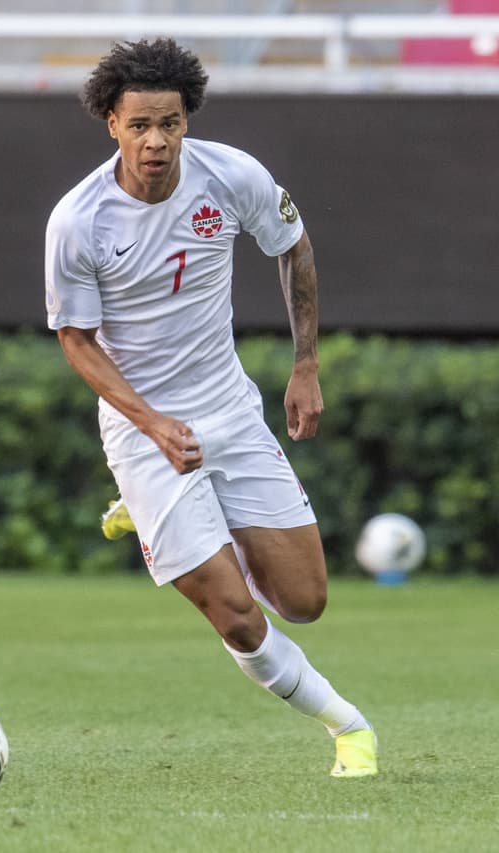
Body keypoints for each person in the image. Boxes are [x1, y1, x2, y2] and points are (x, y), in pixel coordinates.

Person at [44, 39, 377, 777]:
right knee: (236, 612)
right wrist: (153, 423)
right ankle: (349, 726)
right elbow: (76, 339)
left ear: (187, 119)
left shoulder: (231, 178)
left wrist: (305, 365)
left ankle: (177, 515)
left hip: (229, 412)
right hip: (144, 433)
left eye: (168, 122)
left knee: (305, 600)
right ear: (111, 125)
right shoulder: (79, 221)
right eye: (139, 125)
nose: (155, 140)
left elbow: (294, 246)